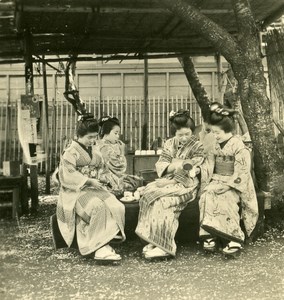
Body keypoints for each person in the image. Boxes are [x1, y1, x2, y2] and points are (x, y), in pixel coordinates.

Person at [135, 109, 205, 259]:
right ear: (174, 133)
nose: (184, 138)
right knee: (148, 195)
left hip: (187, 184)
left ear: (192, 132)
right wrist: (176, 165)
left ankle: (165, 246)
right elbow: (162, 165)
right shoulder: (169, 143)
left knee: (163, 202)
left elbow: (193, 169)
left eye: (188, 134)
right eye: (180, 135)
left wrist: (172, 176)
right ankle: (153, 240)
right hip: (169, 180)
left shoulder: (198, 146)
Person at [56, 117, 125, 262]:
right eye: (89, 137)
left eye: (95, 137)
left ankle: (106, 241)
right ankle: (96, 247)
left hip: (94, 187)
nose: (93, 140)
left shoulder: (95, 149)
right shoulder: (70, 151)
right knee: (97, 207)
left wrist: (107, 179)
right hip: (75, 191)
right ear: (78, 136)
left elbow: (102, 168)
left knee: (117, 206)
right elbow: (67, 174)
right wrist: (87, 180)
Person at [198, 102, 258, 257]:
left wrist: (227, 186)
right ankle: (209, 236)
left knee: (226, 198)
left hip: (235, 182)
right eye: (213, 132)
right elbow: (209, 164)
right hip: (217, 179)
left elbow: (243, 170)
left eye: (218, 133)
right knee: (206, 196)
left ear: (227, 130)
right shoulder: (215, 146)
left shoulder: (239, 145)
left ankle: (233, 238)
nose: (215, 136)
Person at [96, 116, 142, 197]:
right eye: (115, 133)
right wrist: (122, 151)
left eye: (118, 133)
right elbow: (118, 168)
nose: (117, 136)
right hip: (105, 180)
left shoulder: (102, 144)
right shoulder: (105, 147)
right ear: (106, 132)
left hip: (108, 177)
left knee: (133, 181)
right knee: (132, 186)